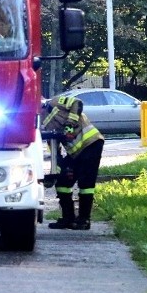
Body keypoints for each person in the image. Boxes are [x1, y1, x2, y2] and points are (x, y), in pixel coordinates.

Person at [41, 94, 105, 230]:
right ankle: (68, 218)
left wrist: (70, 124)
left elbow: (77, 103)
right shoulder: (42, 123)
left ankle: (84, 220)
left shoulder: (55, 103)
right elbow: (54, 149)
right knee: (62, 182)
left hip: (91, 144)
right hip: (75, 153)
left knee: (86, 184)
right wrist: (54, 173)